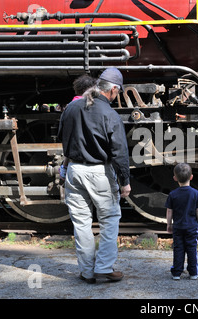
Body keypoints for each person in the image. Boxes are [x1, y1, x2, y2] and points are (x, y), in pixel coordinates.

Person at [58, 67, 131, 284]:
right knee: (109, 220)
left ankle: (87, 272)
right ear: (113, 90)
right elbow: (119, 152)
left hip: (74, 170)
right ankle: (104, 268)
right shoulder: (110, 114)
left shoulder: (70, 108)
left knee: (81, 223)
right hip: (99, 172)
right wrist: (125, 181)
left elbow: (63, 138)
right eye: (117, 93)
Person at [165, 163, 198, 280]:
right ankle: (193, 272)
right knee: (192, 248)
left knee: (178, 248)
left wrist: (169, 224)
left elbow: (169, 212)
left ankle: (176, 273)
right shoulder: (196, 193)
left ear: (175, 178)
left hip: (178, 227)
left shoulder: (172, 194)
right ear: (191, 177)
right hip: (191, 226)